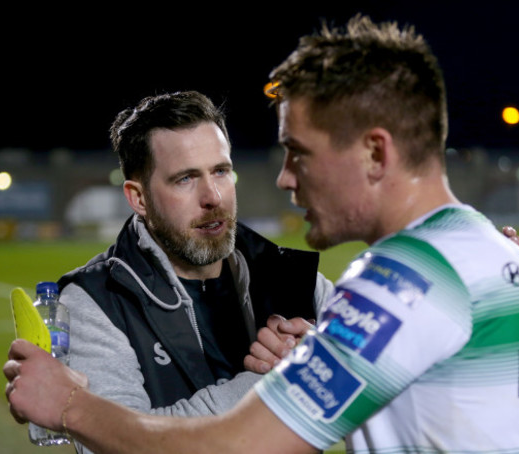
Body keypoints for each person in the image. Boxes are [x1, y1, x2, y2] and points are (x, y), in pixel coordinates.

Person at [4, 15, 519, 454]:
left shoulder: (396, 286)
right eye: (185, 178)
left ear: (374, 151)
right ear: (139, 196)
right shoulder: (492, 254)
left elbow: (233, 444)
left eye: (298, 152)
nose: (283, 177)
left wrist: (70, 405)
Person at [55, 91, 334, 453]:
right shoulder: (95, 302)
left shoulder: (292, 276)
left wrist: (325, 362)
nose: (213, 196)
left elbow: (387, 390)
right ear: (138, 198)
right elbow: (112, 443)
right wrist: (280, 382)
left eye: (221, 171)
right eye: (185, 179)